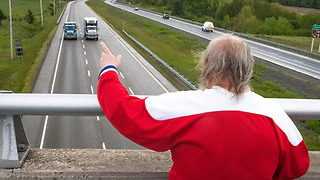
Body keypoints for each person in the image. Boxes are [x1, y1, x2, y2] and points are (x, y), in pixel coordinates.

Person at [97, 35, 310, 179]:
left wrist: (108, 69)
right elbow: (299, 164)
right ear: (248, 69)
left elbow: (123, 110)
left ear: (207, 65)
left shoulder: (184, 106)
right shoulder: (274, 115)